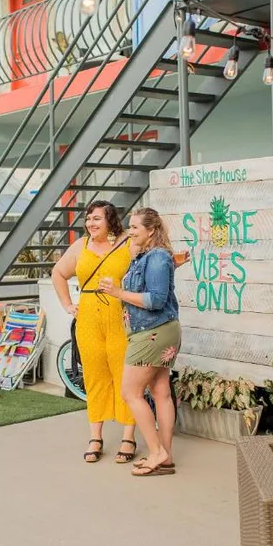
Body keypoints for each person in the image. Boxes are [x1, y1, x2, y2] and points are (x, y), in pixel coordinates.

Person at [52, 201, 138, 464]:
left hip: (121, 316)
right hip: (88, 318)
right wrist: (68, 305)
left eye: (97, 218)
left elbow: (151, 265)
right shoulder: (81, 245)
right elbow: (58, 273)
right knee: (94, 375)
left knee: (125, 377)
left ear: (110, 220)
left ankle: (128, 436)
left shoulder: (128, 243)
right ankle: (95, 437)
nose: (91, 223)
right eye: (89, 218)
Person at [99, 208, 181, 477]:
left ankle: (157, 452)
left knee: (130, 393)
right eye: (130, 227)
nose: (130, 231)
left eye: (135, 227)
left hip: (151, 333)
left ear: (151, 230)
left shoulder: (156, 257)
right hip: (156, 331)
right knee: (160, 392)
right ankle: (165, 456)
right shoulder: (148, 255)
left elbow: (155, 300)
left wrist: (117, 292)